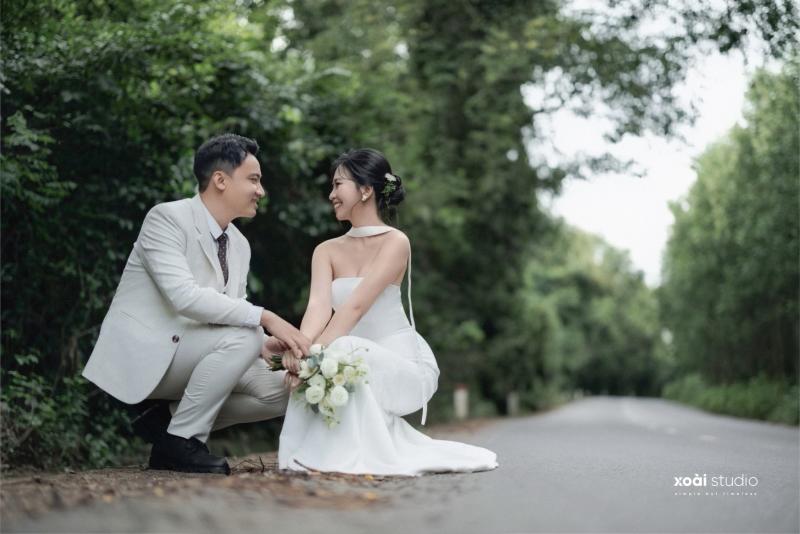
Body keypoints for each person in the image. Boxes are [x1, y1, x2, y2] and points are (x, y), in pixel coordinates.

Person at [82, 133, 311, 475]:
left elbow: (232, 311)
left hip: (195, 353)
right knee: (247, 333)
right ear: (220, 180)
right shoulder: (167, 218)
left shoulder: (239, 244)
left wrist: (264, 344)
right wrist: (266, 319)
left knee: (290, 387)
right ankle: (183, 441)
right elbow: (184, 297)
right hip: (150, 352)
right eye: (253, 179)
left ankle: (167, 425)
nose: (261, 191)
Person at [277, 148, 498, 475]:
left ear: (366, 190)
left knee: (340, 351)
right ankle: (307, 457)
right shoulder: (325, 251)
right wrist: (300, 350)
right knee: (338, 357)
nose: (331, 194)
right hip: (348, 355)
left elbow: (355, 307)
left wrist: (313, 357)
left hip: (404, 367)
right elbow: (318, 307)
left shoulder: (396, 242)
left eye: (338, 185)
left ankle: (341, 456)